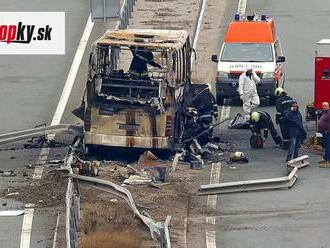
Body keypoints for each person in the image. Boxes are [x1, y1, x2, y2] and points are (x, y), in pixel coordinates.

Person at [318, 102, 330, 167]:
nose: (323, 107)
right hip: (324, 132)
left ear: (327, 106)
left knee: (328, 146)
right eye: (322, 106)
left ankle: (328, 161)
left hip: (327, 132)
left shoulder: (329, 113)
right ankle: (325, 158)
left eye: (324, 106)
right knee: (326, 146)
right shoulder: (324, 112)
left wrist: (327, 130)